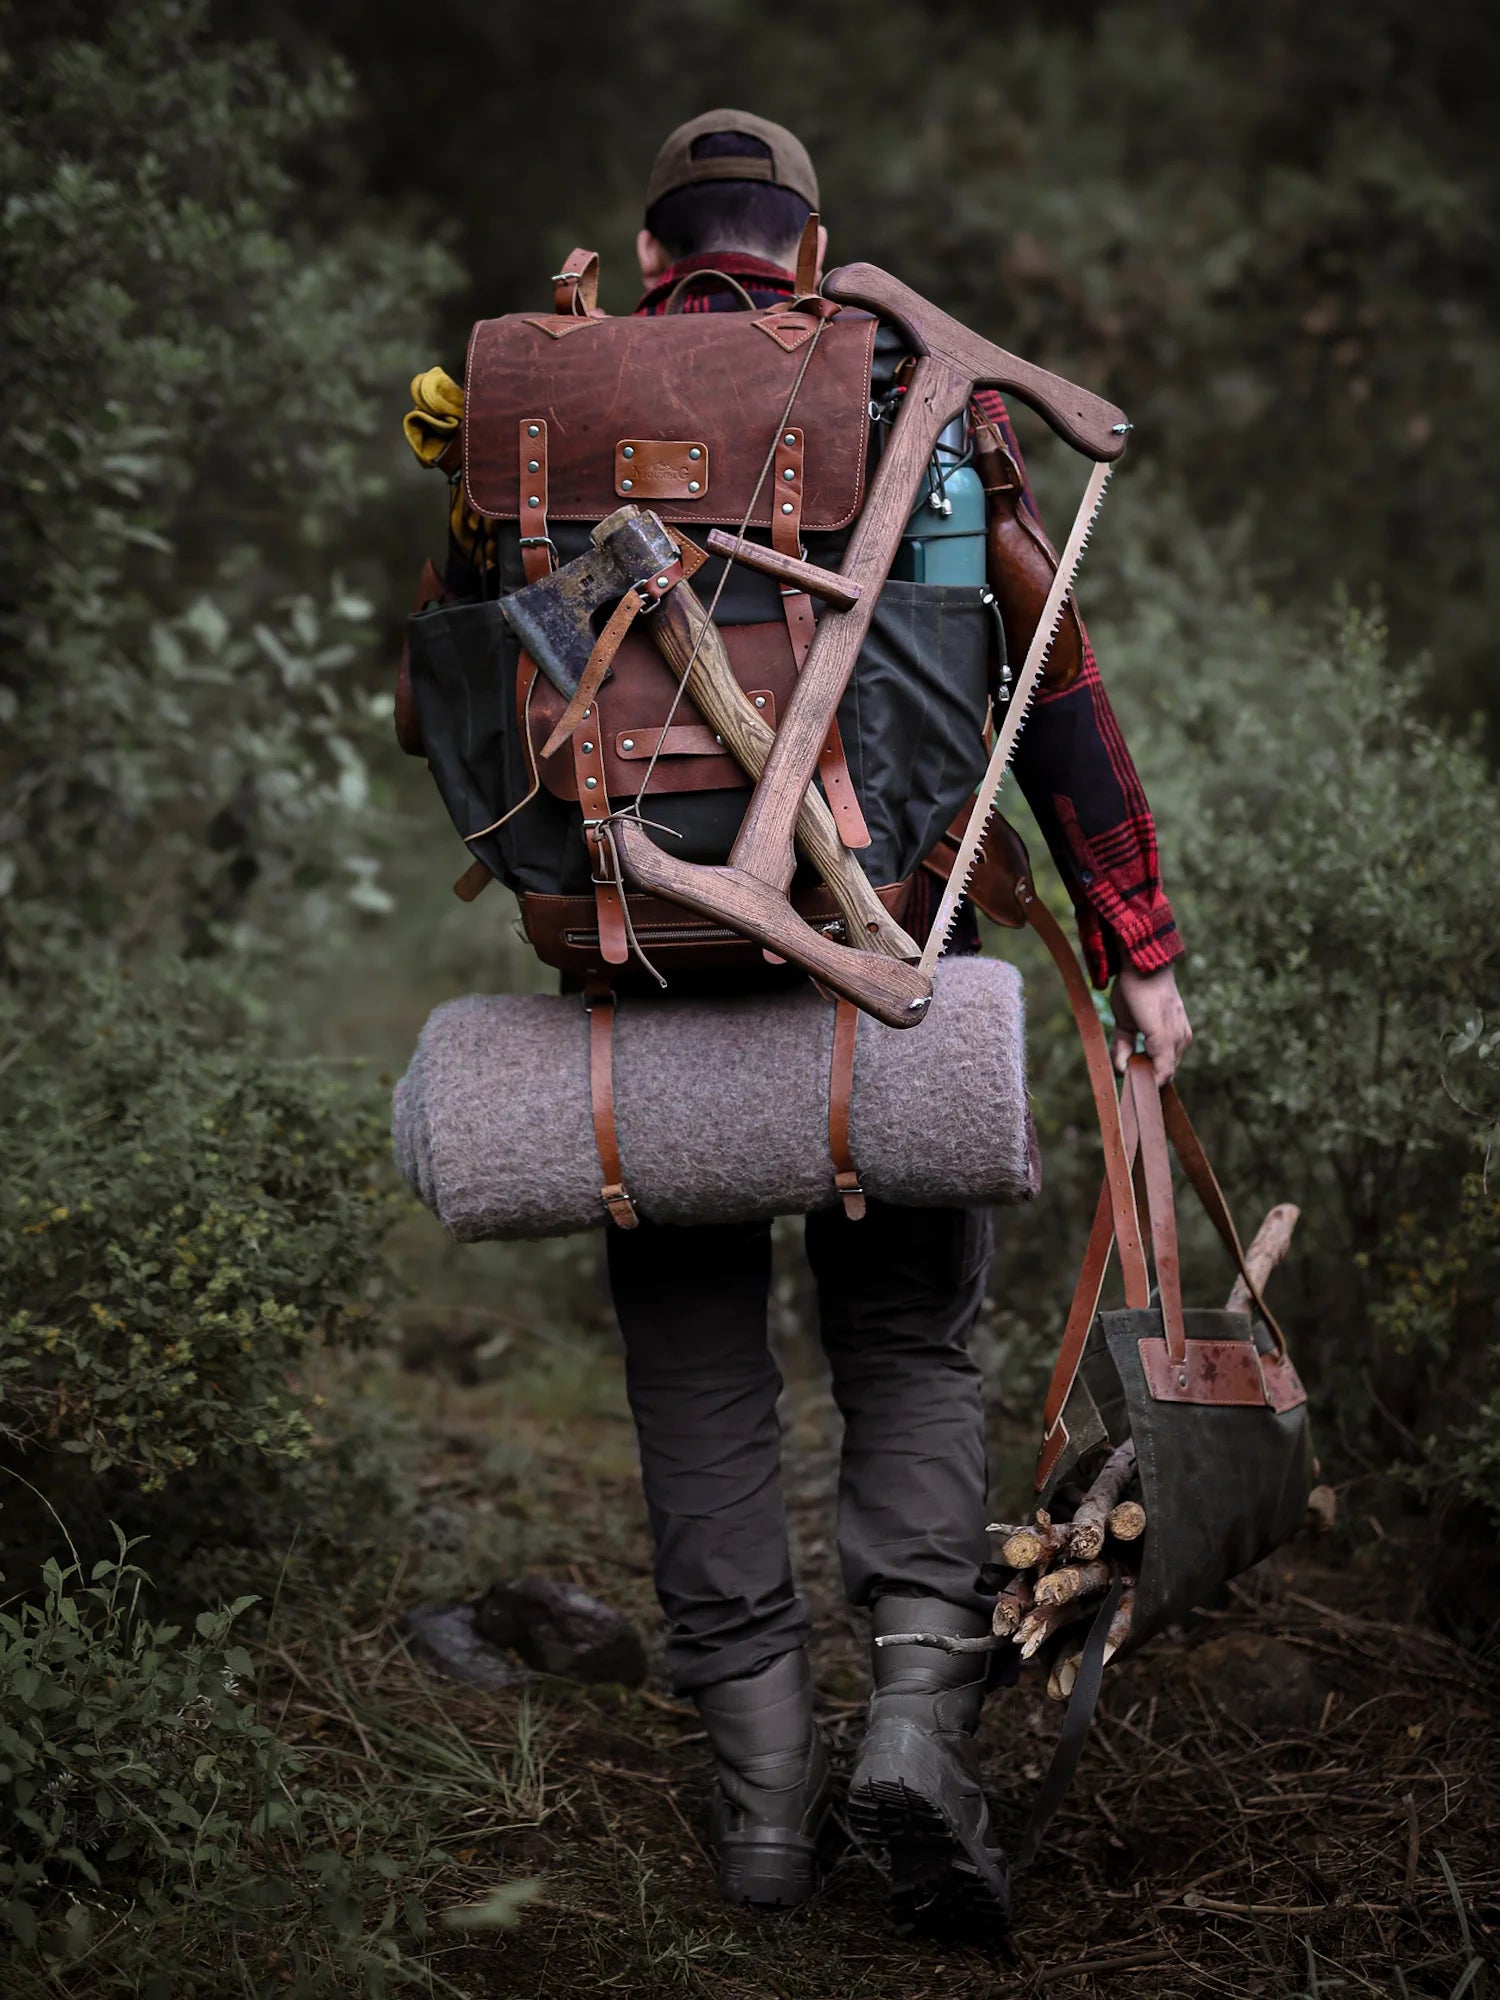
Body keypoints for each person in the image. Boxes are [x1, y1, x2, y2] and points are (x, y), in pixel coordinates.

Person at [411, 110, 1191, 1933]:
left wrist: (480, 531)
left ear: (656, 241)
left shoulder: (546, 395)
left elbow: (439, 714)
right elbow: (1052, 680)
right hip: (883, 989)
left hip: (636, 980)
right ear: (813, 242)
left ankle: (760, 1813)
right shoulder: (915, 385)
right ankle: (918, 1739)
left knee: (696, 1369)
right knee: (910, 1349)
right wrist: (1136, 938)